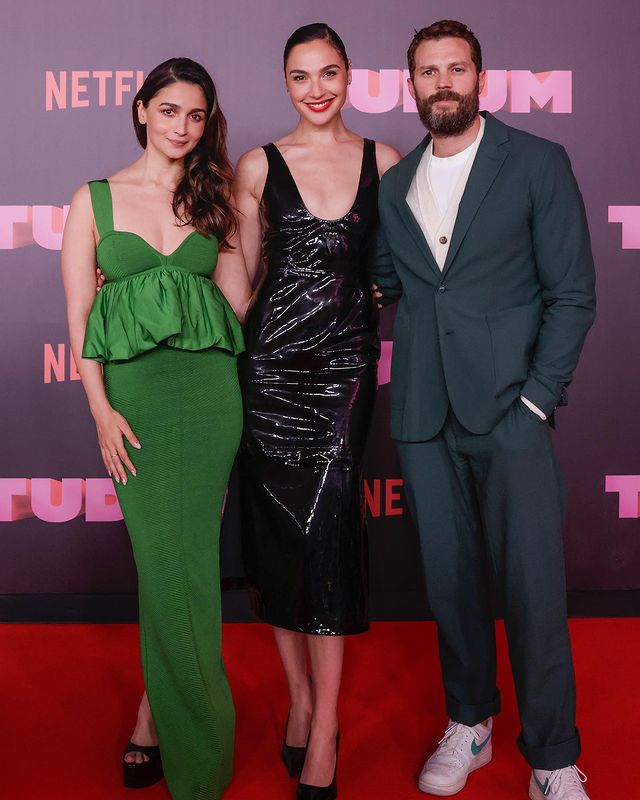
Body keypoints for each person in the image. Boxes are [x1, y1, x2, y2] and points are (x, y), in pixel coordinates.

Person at [373, 20, 596, 800]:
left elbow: (572, 294)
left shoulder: (536, 161)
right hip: (424, 417)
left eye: (456, 68)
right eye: (428, 71)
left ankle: (553, 758)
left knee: (534, 588)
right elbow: (384, 283)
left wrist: (535, 401)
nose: (443, 82)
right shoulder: (394, 186)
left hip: (510, 414)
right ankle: (469, 722)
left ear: (480, 78)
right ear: (411, 86)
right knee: (449, 584)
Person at [61, 57, 251, 799]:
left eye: (196, 115)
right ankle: (181, 730)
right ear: (141, 110)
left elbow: (235, 303)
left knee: (190, 568)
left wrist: (179, 302)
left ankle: (172, 732)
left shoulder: (216, 197)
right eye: (169, 110)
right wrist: (101, 410)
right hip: (133, 405)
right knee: (163, 566)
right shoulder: (94, 200)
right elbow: (80, 317)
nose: (183, 127)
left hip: (208, 399)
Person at [233, 22, 399, 800]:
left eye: (328, 73)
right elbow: (238, 283)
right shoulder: (258, 165)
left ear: (349, 75)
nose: (316, 89)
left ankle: (327, 725)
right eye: (301, 76)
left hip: (343, 372)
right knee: (278, 539)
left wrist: (386, 283)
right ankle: (299, 700)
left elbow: (413, 259)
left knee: (328, 536)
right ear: (285, 83)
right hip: (268, 369)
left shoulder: (384, 162)